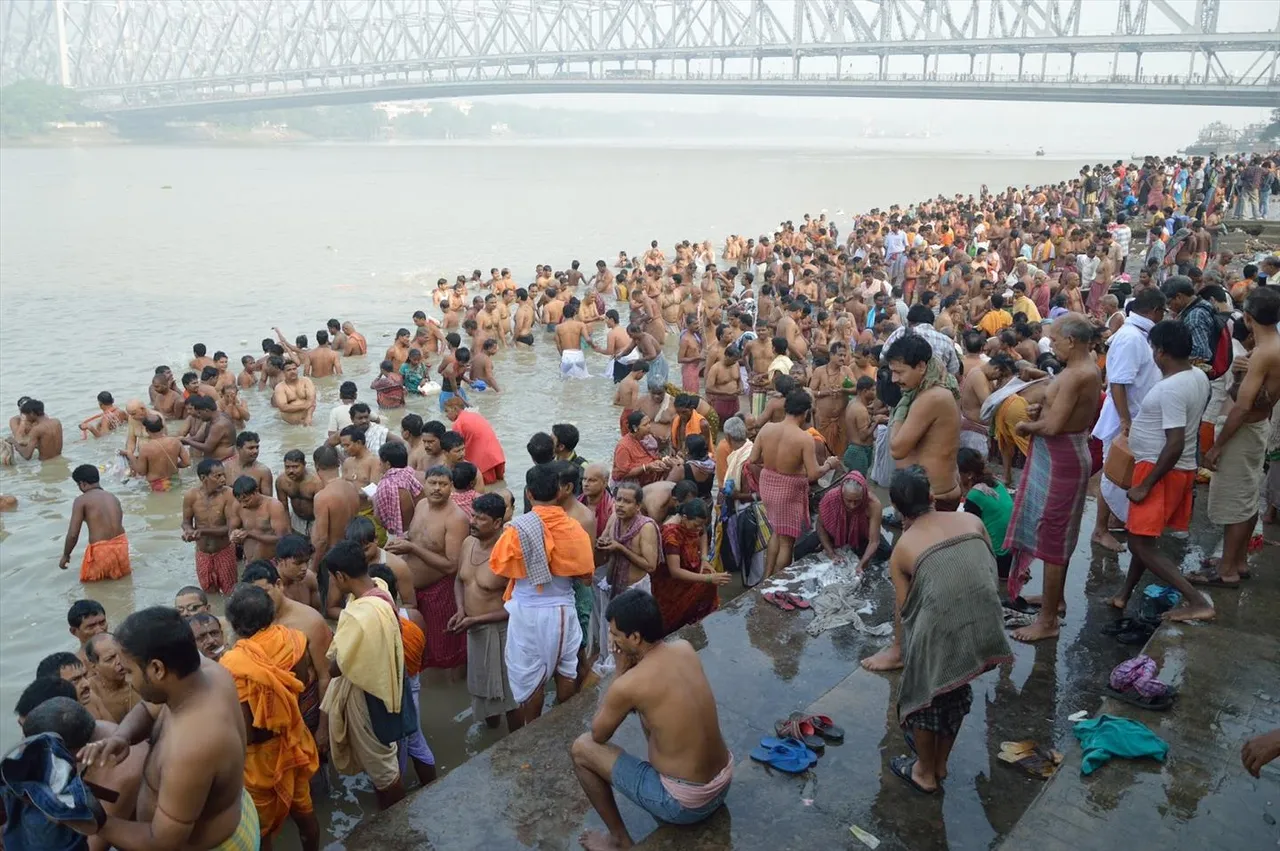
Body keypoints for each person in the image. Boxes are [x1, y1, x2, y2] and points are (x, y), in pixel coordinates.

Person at [70, 606, 258, 850]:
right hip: (226, 811)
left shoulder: (192, 747)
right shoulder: (197, 671)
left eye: (128, 671)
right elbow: (149, 707)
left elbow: (163, 840)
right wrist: (122, 736)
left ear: (157, 669)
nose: (125, 679)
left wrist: (95, 824)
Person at [879, 467, 1011, 794]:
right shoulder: (971, 521)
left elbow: (906, 609)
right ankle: (940, 764)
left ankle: (924, 771)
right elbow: (987, 569)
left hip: (942, 627)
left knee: (920, 697)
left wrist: (905, 653)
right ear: (932, 497)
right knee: (956, 689)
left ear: (898, 510)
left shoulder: (903, 548)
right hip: (986, 624)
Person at [571, 589, 732, 851]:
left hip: (686, 805)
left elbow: (598, 734)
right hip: (722, 783)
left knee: (581, 748)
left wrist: (621, 670)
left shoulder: (630, 684)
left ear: (635, 637)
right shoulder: (684, 648)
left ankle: (619, 840)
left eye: (614, 634)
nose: (611, 640)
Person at [1105, 321, 1215, 621]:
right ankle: (1123, 594)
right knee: (1144, 538)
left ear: (1162, 352)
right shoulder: (1197, 376)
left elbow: (1175, 442)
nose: (1152, 354)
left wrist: (1146, 484)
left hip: (1161, 469)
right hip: (1170, 468)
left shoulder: (1171, 388)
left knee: (1139, 542)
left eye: (1154, 349)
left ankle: (1197, 601)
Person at [1003, 314, 1103, 642]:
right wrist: (1038, 412)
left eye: (1057, 339)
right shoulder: (1077, 369)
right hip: (1061, 455)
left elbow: (1056, 426)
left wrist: (1024, 425)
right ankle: (1053, 601)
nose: (1053, 344)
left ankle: (1047, 622)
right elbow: (1058, 411)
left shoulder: (1081, 373)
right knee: (1052, 529)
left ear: (1072, 341)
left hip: (1064, 458)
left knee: (1054, 534)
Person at [488, 464, 595, 726]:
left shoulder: (515, 530)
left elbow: (498, 571)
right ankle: (564, 726)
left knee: (529, 682)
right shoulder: (575, 529)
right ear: (559, 492)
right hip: (563, 612)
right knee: (567, 670)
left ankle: (532, 732)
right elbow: (586, 577)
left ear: (529, 493)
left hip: (528, 614)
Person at [219, 584, 320, 851]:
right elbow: (301, 682)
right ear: (271, 614)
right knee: (304, 810)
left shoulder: (233, 663)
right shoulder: (295, 639)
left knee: (260, 828)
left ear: (234, 624)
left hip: (259, 758)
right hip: (293, 738)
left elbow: (247, 732)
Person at [317, 541, 409, 810]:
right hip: (385, 682)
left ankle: (398, 819)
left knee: (384, 771)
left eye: (333, 578)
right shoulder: (379, 587)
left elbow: (336, 667)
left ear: (341, 576)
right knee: (383, 760)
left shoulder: (360, 615)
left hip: (368, 694)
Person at [1199, 287, 1280, 586]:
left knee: (1235, 503)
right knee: (1245, 499)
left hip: (1244, 431)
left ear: (1247, 317)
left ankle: (1227, 571)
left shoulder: (1263, 353)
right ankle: (1237, 561)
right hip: (1257, 427)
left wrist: (1217, 447)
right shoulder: (1268, 349)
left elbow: (1243, 407)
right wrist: (1239, 373)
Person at [1091, 287, 1166, 552]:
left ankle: (1111, 520)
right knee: (1113, 474)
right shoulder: (1131, 338)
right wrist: (1126, 421)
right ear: (1155, 311)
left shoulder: (1139, 335)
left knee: (1121, 474)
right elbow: (1118, 384)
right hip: (1125, 419)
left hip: (1135, 416)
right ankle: (1100, 530)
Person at [448, 493, 521, 733]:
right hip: (473, 630)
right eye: (473, 516)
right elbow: (460, 580)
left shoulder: (509, 552)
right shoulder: (468, 543)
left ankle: (518, 742)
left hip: (501, 633)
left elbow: (517, 605)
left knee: (510, 697)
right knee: (482, 692)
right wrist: (460, 610)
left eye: (481, 519)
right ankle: (491, 739)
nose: (473, 522)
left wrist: (475, 619)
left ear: (498, 523)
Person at [386, 465, 469, 672]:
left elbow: (452, 566)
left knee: (444, 649)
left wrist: (412, 547)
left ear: (451, 487)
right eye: (433, 483)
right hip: (413, 592)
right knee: (418, 645)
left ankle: (450, 693)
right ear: (424, 484)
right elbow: (417, 538)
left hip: (440, 592)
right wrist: (402, 542)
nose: (437, 489)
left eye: (443, 484)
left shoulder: (456, 518)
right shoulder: (422, 504)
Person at [749, 390, 840, 578]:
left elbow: (752, 460)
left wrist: (771, 467)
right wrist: (829, 464)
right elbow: (814, 474)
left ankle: (766, 576)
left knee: (776, 530)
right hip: (789, 489)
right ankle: (776, 581)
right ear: (806, 412)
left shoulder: (767, 429)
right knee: (787, 542)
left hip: (767, 484)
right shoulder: (804, 438)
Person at [885, 334, 963, 510]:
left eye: (899, 372)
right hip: (927, 496)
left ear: (921, 366)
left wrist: (901, 409)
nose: (894, 379)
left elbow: (897, 449)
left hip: (934, 500)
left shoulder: (932, 397)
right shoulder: (924, 392)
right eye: (892, 372)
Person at [654, 499, 728, 634]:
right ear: (684, 518)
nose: (698, 529)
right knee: (671, 622)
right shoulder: (671, 535)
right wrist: (708, 578)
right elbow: (675, 571)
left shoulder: (692, 525)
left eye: (701, 525)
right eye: (696, 525)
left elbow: (703, 533)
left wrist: (704, 559)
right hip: (671, 585)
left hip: (691, 568)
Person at [793, 470, 885, 574]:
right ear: (841, 495)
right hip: (834, 531)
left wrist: (862, 564)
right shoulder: (831, 497)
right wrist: (831, 553)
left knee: (885, 551)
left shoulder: (873, 504)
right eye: (848, 500)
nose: (852, 505)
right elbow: (820, 526)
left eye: (857, 501)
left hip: (861, 535)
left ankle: (854, 549)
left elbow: (874, 541)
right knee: (800, 551)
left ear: (864, 495)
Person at [310, 445, 362, 618]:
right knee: (351, 601)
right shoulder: (352, 488)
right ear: (338, 463)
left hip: (332, 558)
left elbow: (322, 539)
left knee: (329, 607)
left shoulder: (322, 497)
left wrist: (313, 568)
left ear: (317, 467)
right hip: (354, 552)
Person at [60, 465, 131, 582]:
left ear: (82, 484)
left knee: (93, 587)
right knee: (122, 584)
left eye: (78, 485)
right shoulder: (112, 497)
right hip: (121, 546)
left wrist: (66, 555)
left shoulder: (81, 501)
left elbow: (73, 534)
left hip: (100, 551)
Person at [957, 448, 1015, 583]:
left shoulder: (975, 495)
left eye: (956, 471)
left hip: (997, 561)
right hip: (1011, 555)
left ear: (969, 474)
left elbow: (969, 533)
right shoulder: (996, 484)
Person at [183, 459, 237, 596]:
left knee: (230, 592)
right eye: (218, 476)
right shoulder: (191, 496)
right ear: (203, 478)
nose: (223, 479)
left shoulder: (228, 495)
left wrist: (200, 531)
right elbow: (186, 522)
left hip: (224, 550)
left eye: (223, 475)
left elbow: (230, 528)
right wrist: (189, 532)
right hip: (202, 553)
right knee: (208, 593)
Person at [444, 396, 506, 485]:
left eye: (447, 411)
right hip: (497, 456)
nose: (446, 415)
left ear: (455, 409)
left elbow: (456, 448)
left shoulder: (458, 423)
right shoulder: (475, 415)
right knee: (500, 484)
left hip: (483, 462)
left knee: (487, 489)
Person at [229, 475, 290, 564]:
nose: (243, 505)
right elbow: (231, 530)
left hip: (271, 561)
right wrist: (234, 535)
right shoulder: (237, 506)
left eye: (246, 500)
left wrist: (250, 535)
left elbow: (282, 538)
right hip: (249, 562)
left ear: (256, 491)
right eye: (240, 501)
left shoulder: (273, 506)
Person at [85, 633, 141, 723]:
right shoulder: (87, 692)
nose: (120, 661)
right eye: (110, 659)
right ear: (93, 666)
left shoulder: (140, 683)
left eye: (120, 653)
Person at [612, 411, 670, 486]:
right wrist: (646, 467)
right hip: (628, 486)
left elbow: (653, 457)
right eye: (645, 425)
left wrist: (659, 461)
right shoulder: (623, 446)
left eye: (649, 423)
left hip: (649, 480)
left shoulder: (649, 439)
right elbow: (623, 473)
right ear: (635, 428)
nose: (649, 426)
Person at [276, 450, 321, 537]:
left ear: (304, 464)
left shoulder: (316, 482)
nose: (291, 471)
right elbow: (283, 508)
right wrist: (288, 530)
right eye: (287, 467)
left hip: (315, 520)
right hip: (296, 519)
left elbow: (322, 510)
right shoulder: (281, 481)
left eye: (295, 467)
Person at [223, 431, 274, 500]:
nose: (255, 451)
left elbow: (268, 501)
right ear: (238, 448)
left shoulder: (263, 472)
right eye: (251, 448)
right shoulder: (226, 466)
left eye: (257, 447)